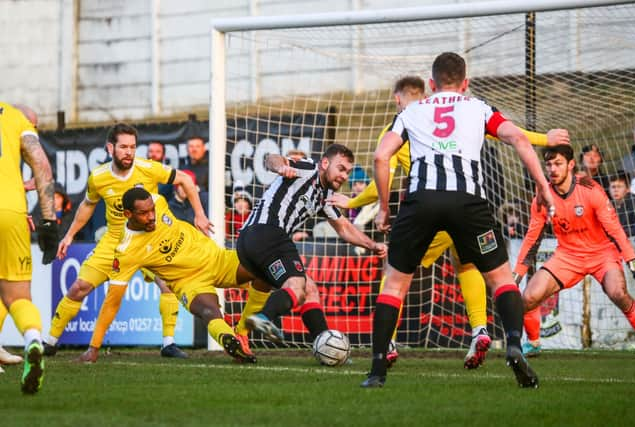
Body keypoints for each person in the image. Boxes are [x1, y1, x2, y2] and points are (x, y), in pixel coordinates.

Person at [329, 75, 568, 370]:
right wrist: (546, 139)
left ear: (398, 98)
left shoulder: (407, 120)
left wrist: (353, 203)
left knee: (394, 273)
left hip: (427, 210)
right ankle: (481, 329)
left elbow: (383, 173)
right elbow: (508, 133)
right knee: (470, 265)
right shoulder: (467, 110)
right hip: (468, 205)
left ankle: (386, 344)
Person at [43, 123, 211, 362]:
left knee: (167, 284)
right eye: (123, 147)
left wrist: (200, 215)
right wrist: (69, 235)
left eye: (132, 147)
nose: (129, 152)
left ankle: (168, 343)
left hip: (149, 239)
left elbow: (183, 179)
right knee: (79, 287)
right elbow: (88, 205)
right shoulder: (99, 177)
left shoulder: (147, 168)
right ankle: (49, 342)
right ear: (110, 147)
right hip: (114, 240)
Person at [241, 144, 387, 343]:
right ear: (325, 163)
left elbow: (344, 228)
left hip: (249, 242)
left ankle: (325, 343)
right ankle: (263, 316)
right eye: (341, 169)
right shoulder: (308, 168)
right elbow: (273, 158)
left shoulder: (325, 197)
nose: (344, 176)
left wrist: (372, 245)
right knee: (296, 284)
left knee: (309, 289)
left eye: (348, 172)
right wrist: (281, 167)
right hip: (268, 232)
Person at [109, 188, 274, 363]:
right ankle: (228, 341)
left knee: (263, 270)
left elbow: (184, 180)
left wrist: (199, 213)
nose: (151, 216)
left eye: (152, 210)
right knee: (208, 310)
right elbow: (112, 295)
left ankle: (241, 332)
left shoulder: (157, 200)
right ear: (128, 214)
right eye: (144, 213)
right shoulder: (127, 248)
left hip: (217, 259)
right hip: (189, 281)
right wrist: (95, 346)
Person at [514, 145, 635, 356]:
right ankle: (534, 343)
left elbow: (615, 229)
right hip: (567, 256)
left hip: (602, 254)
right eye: (549, 165)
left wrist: (632, 259)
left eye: (558, 164)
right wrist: (517, 273)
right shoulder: (543, 195)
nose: (552, 169)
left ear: (571, 165)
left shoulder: (590, 188)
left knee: (618, 293)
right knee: (528, 298)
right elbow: (532, 236)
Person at [0, 102, 57, 393]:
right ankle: (33, 339)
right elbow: (41, 164)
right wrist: (49, 221)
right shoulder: (12, 115)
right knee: (17, 294)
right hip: (10, 210)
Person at [609, 172, 635, 240]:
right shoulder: (608, 205)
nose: (615, 190)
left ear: (628, 189)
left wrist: (617, 233)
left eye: (619, 186)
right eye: (613, 187)